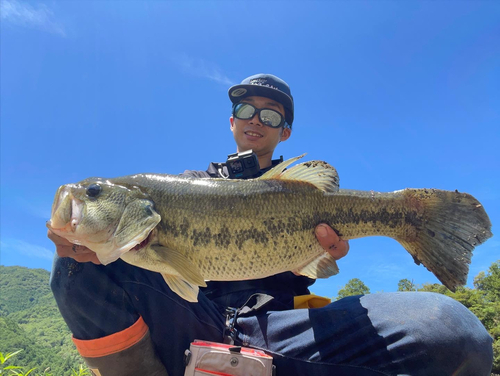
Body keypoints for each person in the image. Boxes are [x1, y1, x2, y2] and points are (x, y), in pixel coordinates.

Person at [48, 74, 493, 376]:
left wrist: (318, 256)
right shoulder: (184, 186)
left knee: (454, 329)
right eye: (246, 110)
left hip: (281, 327)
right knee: (74, 266)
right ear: (232, 121)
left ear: (286, 133)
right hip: (193, 320)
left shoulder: (304, 192)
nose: (256, 120)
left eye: (272, 115)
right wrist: (82, 244)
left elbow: (314, 271)